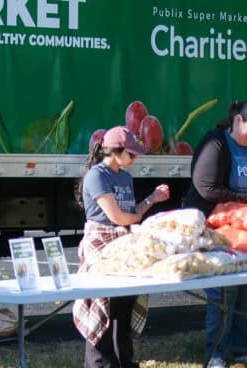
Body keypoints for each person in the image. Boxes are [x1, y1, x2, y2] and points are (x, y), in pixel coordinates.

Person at [73, 126, 169, 368]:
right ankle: (101, 363)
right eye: (131, 153)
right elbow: (118, 217)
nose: (135, 158)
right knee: (102, 305)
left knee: (125, 304)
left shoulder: (125, 177)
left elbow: (131, 212)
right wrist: (137, 218)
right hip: (101, 244)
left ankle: (124, 360)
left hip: (124, 242)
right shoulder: (97, 176)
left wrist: (152, 199)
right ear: (115, 151)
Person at [183, 100, 247, 368]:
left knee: (243, 289)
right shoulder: (216, 143)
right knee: (220, 292)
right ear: (238, 120)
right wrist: (242, 198)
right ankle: (216, 354)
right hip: (214, 230)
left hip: (241, 231)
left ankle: (240, 349)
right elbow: (206, 188)